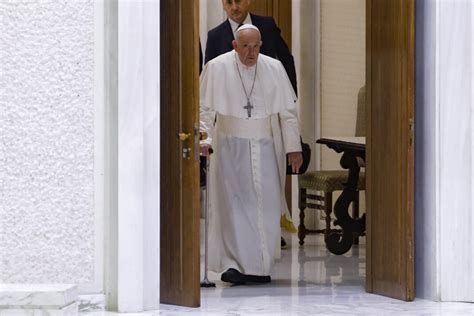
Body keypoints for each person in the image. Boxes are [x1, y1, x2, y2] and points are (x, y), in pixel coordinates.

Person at [200, 24, 302, 285]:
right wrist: (205, 139)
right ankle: (235, 265)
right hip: (228, 147)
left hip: (266, 146)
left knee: (265, 205)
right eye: (245, 47)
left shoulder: (273, 68)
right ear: (235, 45)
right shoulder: (217, 67)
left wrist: (293, 148)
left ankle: (260, 266)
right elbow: (204, 109)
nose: (251, 53)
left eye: (256, 47)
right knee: (233, 207)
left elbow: (287, 112)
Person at [205, 0, 297, 95]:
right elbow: (210, 75)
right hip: (231, 100)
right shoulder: (215, 36)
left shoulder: (267, 26)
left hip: (266, 97)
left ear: (248, 1)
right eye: (229, 3)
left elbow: (286, 60)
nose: (234, 7)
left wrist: (291, 96)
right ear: (223, 5)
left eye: (238, 1)